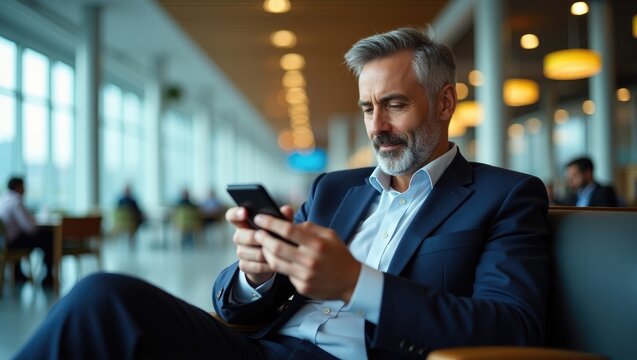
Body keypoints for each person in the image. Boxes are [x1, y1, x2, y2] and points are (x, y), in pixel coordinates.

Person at [14, 26, 549, 359]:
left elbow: (514, 328)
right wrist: (255, 274)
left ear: (446, 102)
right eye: (367, 108)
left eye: (395, 105)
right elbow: (241, 307)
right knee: (104, 299)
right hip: (262, 348)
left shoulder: (505, 196)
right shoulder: (335, 188)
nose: (377, 126)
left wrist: (357, 284)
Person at [0, 176, 54, 287]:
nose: (25, 189)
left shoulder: (3, 199)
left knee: (27, 236)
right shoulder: (16, 202)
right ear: (17, 187)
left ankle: (18, 273)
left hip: (3, 242)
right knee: (48, 238)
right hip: (12, 243)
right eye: (23, 186)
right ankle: (48, 277)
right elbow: (30, 228)